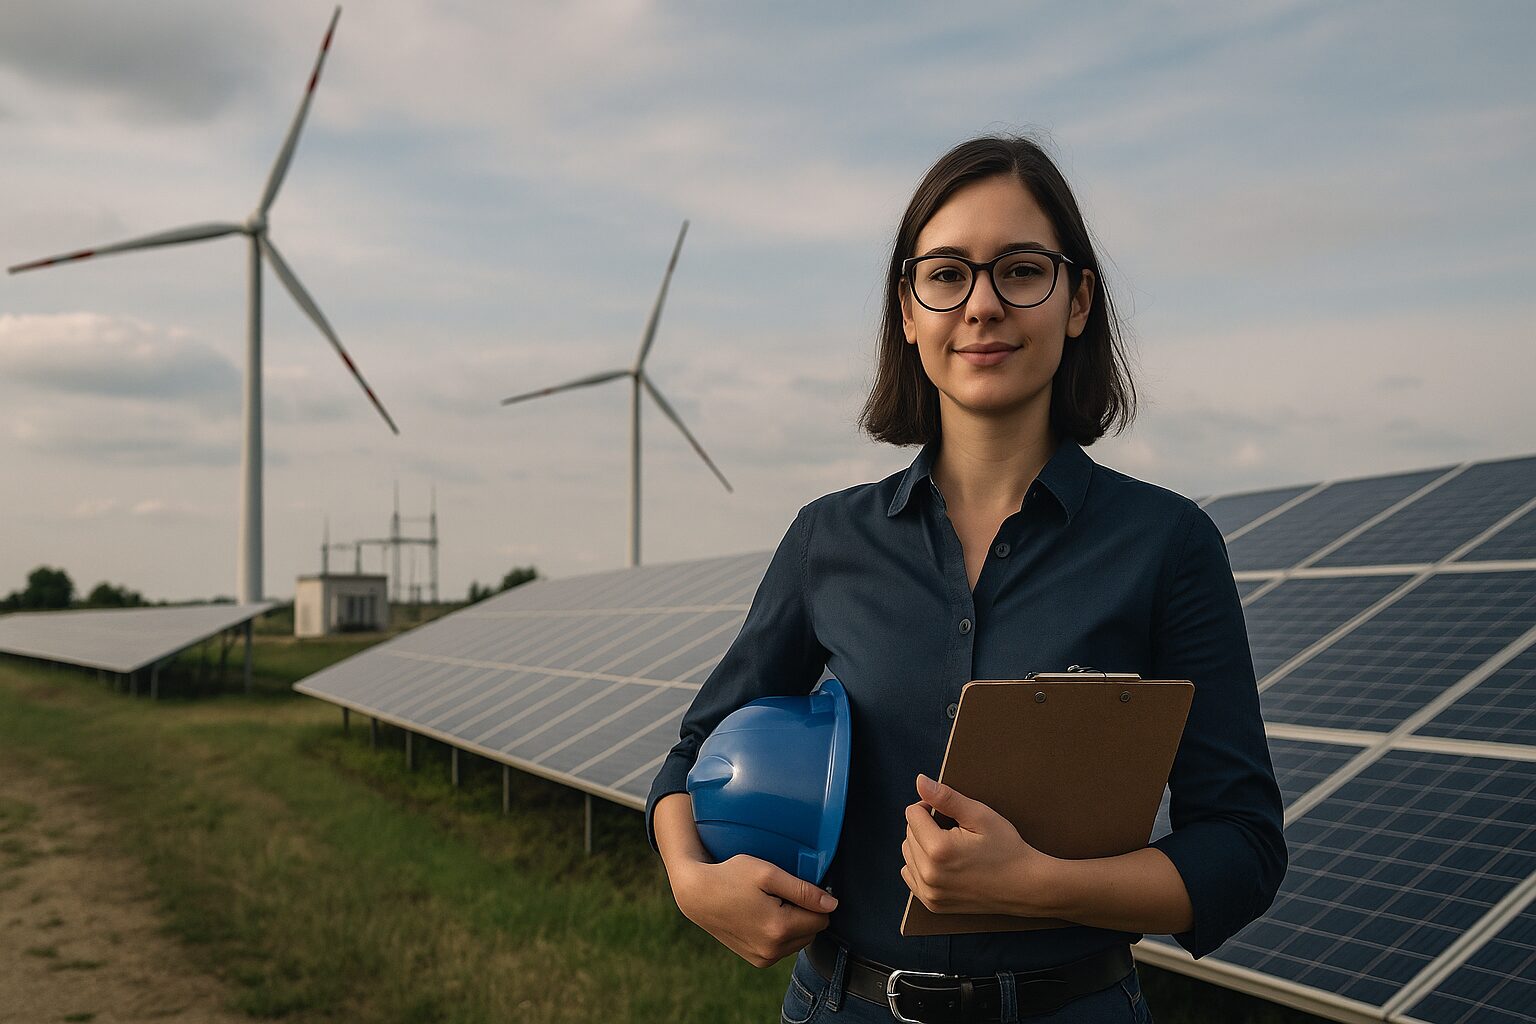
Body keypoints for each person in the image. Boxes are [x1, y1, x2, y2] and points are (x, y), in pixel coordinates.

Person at [646, 134, 1287, 1023]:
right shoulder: (827, 539)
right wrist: (690, 880)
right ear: (908, 311)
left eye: (1021, 270)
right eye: (946, 275)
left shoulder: (1169, 546)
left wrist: (1041, 885)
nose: (982, 305)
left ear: (1078, 302)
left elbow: (1244, 851)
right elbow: (691, 758)